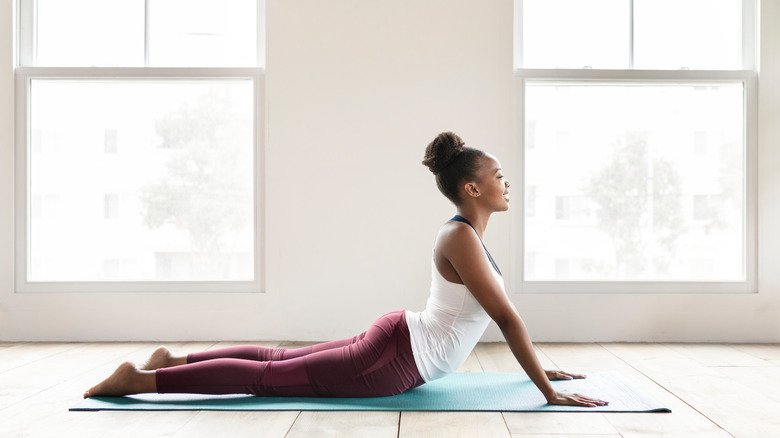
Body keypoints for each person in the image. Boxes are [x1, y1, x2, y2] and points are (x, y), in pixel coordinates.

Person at [83, 131, 608, 408]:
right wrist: (547, 390)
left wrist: (539, 368)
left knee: (275, 361)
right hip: (394, 361)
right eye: (498, 175)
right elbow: (508, 320)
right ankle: (144, 380)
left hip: (399, 343)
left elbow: (494, 321)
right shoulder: (461, 237)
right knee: (269, 377)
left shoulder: (464, 234)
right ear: (473, 189)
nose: (506, 182)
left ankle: (173, 360)